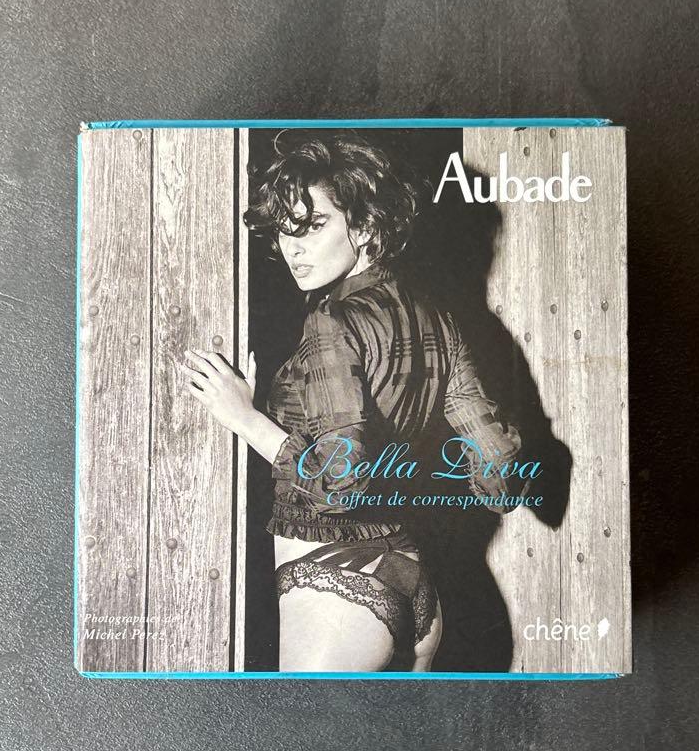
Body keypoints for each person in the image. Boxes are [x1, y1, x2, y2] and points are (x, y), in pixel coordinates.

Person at [178, 130, 528, 672]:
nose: (292, 248)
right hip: (416, 584)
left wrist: (243, 418)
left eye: (313, 225)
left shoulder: (331, 320)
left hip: (336, 586)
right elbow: (502, 479)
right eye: (285, 229)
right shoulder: (439, 321)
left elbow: (340, 484)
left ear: (365, 226)